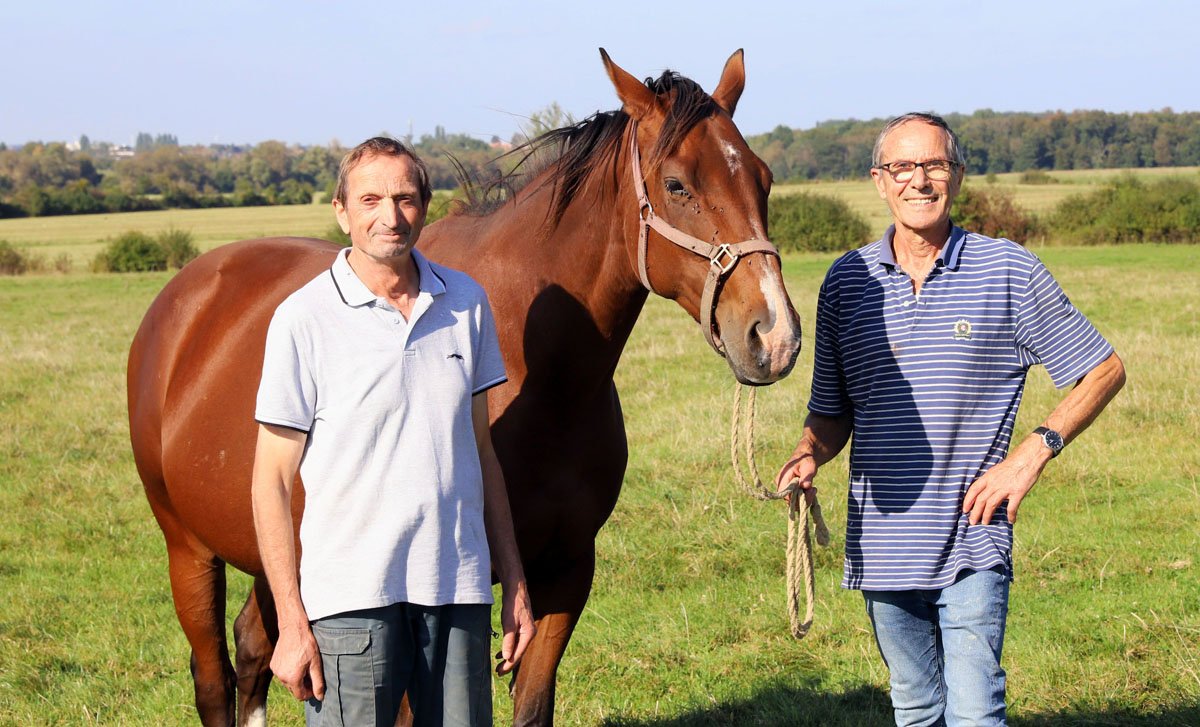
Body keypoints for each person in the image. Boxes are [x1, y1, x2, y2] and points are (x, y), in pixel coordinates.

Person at [775, 113, 1125, 726]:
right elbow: (831, 411)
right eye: (902, 167)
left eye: (934, 165)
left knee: (975, 713)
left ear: (957, 176)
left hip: (974, 534)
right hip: (882, 542)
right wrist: (808, 454)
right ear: (879, 181)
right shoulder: (847, 282)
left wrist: (1031, 456)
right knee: (915, 708)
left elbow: (1103, 369)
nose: (919, 180)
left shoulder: (1008, 270)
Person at [251, 136, 535, 727]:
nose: (391, 216)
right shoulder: (302, 319)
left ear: (424, 207)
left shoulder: (467, 302)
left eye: (405, 198)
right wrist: (291, 619)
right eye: (370, 199)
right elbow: (271, 481)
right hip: (349, 603)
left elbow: (483, 452)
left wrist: (513, 580)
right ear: (341, 211)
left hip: (457, 591)